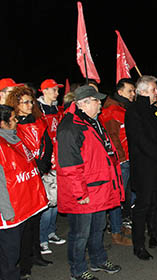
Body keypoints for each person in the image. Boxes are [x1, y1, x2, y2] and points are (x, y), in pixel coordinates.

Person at [56, 85, 123, 280]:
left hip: (99, 187)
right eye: (97, 101)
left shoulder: (92, 121)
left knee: (98, 228)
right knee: (80, 234)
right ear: (84, 103)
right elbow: (69, 165)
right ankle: (77, 270)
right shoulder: (70, 126)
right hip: (85, 191)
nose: (100, 105)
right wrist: (80, 193)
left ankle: (98, 260)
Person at [125, 76, 157, 261]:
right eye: (154, 89)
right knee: (143, 207)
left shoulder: (154, 111)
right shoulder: (134, 111)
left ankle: (156, 237)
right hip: (146, 169)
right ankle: (138, 245)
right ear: (145, 91)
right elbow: (142, 141)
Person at [6, 86, 54, 278]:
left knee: (36, 218)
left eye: (30, 101)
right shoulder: (12, 124)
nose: (29, 105)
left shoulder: (39, 120)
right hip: (23, 178)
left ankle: (35, 254)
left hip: (38, 173)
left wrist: (42, 166)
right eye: (25, 102)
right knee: (25, 224)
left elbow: (47, 144)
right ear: (15, 104)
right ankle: (23, 262)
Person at [99, 78, 135, 246]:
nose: (133, 94)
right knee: (117, 197)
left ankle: (118, 225)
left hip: (127, 159)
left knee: (123, 196)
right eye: (130, 91)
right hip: (121, 161)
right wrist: (122, 159)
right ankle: (115, 231)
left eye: (134, 91)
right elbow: (112, 137)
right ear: (120, 92)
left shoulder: (123, 108)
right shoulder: (112, 110)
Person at [37, 79, 67, 255]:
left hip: (58, 159)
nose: (57, 93)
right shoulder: (38, 110)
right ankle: (42, 239)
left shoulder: (56, 109)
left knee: (56, 199)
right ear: (45, 91)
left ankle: (51, 232)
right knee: (48, 202)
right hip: (47, 161)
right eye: (54, 90)